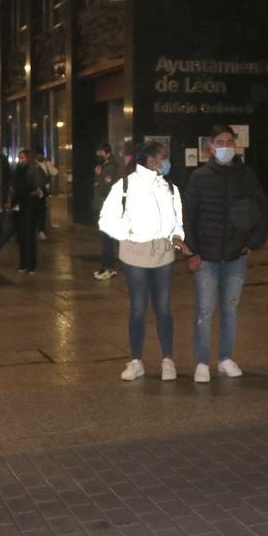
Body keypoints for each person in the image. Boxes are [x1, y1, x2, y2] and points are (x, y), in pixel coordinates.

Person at [182, 124, 268, 383]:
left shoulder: (247, 176)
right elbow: (188, 216)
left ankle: (225, 358)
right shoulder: (199, 177)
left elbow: (263, 209)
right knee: (205, 311)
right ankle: (201, 362)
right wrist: (192, 252)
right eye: (220, 142)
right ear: (210, 147)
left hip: (235, 258)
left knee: (230, 309)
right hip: (206, 258)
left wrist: (253, 242)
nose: (226, 147)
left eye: (230, 142)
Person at [99, 140, 184, 382]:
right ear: (150, 159)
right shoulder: (125, 185)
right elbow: (106, 219)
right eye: (162, 157)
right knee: (138, 308)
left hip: (163, 253)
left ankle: (168, 359)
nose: (165, 161)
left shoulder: (170, 187)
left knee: (164, 308)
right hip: (135, 254)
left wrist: (177, 236)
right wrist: (129, 234)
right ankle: (136, 360)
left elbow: (178, 220)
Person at [10, 149, 48, 274]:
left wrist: (35, 192)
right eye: (19, 157)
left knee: (29, 236)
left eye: (22, 157)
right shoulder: (17, 170)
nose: (20, 159)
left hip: (30, 207)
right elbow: (15, 188)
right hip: (19, 206)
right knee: (20, 236)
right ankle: (23, 263)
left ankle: (31, 265)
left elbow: (41, 187)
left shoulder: (34, 169)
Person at [92, 143, 121, 280]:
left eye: (101, 152)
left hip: (107, 207)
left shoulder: (110, 168)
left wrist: (98, 176)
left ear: (108, 153)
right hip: (103, 205)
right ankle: (106, 267)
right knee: (105, 239)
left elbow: (105, 187)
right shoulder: (106, 166)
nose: (99, 155)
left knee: (106, 239)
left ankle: (109, 268)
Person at [34, 151, 59, 240]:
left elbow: (55, 172)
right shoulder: (33, 164)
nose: (40, 156)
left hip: (43, 190)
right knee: (35, 211)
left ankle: (41, 230)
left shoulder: (46, 164)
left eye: (41, 154)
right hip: (33, 189)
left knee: (41, 210)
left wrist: (48, 165)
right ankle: (36, 229)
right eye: (39, 154)